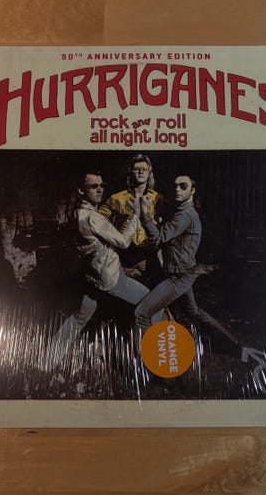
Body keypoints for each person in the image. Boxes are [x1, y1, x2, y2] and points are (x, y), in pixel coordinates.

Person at [39, 170, 163, 372]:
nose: (99, 190)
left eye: (101, 185)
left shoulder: (76, 214)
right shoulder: (92, 218)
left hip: (93, 276)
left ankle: (45, 364)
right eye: (93, 186)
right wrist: (137, 215)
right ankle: (147, 361)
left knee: (78, 319)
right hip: (110, 278)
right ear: (81, 190)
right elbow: (123, 242)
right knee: (153, 305)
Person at [135, 175, 242, 357]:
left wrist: (143, 214)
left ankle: (150, 362)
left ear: (192, 190)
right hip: (184, 272)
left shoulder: (185, 215)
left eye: (183, 186)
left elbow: (159, 238)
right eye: (175, 185)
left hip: (179, 277)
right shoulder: (181, 212)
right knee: (193, 312)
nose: (177, 189)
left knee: (142, 314)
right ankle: (234, 346)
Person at [99, 154, 163, 284]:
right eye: (136, 169)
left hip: (148, 256)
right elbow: (99, 218)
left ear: (149, 172)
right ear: (130, 171)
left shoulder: (158, 198)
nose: (140, 172)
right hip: (125, 255)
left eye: (144, 169)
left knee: (154, 288)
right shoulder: (116, 198)